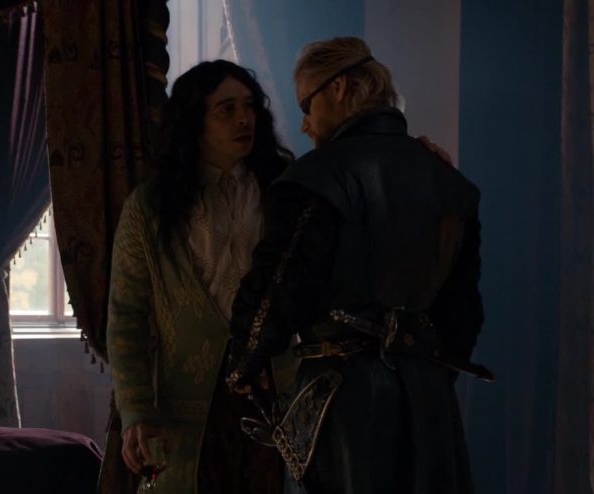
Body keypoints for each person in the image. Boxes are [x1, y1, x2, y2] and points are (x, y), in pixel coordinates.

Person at [226, 37, 488, 494]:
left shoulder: (315, 178)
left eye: (307, 104)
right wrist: (425, 376)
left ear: (340, 88)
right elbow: (463, 314)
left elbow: (277, 287)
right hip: (429, 401)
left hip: (344, 402)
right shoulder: (449, 181)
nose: (305, 124)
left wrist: (244, 364)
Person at [103, 60, 297, 494]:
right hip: (186, 403)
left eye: (249, 106)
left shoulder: (283, 192)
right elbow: (126, 317)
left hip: (272, 392)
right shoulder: (151, 208)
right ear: (195, 121)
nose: (244, 118)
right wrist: (137, 410)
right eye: (226, 109)